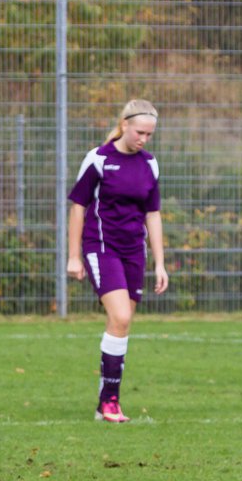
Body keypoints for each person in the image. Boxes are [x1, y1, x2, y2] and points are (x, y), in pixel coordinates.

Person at [66, 99, 169, 423]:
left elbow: (153, 214)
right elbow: (78, 208)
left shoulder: (149, 164)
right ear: (124, 124)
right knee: (121, 316)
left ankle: (105, 402)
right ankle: (110, 401)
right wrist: (73, 256)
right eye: (140, 132)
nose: (143, 139)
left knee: (120, 325)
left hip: (133, 252)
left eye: (149, 135)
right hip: (102, 248)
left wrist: (160, 262)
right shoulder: (98, 159)